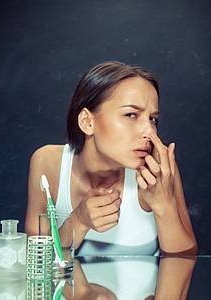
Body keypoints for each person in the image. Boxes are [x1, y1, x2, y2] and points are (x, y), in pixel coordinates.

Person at [25, 61, 197, 255]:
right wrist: (78, 221)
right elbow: (35, 257)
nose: (149, 131)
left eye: (153, 119)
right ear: (87, 122)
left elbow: (186, 259)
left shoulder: (158, 168)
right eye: (131, 115)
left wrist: (164, 205)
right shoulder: (48, 163)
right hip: (71, 287)